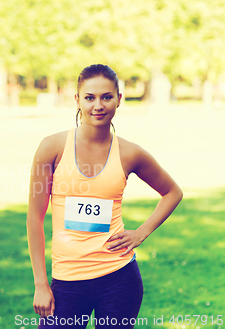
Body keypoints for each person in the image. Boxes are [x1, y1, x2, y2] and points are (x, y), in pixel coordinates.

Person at [27, 64, 183, 328]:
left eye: (106, 97)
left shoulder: (130, 153)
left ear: (119, 99)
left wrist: (141, 232)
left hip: (118, 278)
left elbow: (172, 192)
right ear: (77, 100)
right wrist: (41, 283)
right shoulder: (52, 148)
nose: (97, 105)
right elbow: (34, 218)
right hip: (66, 281)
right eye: (89, 98)